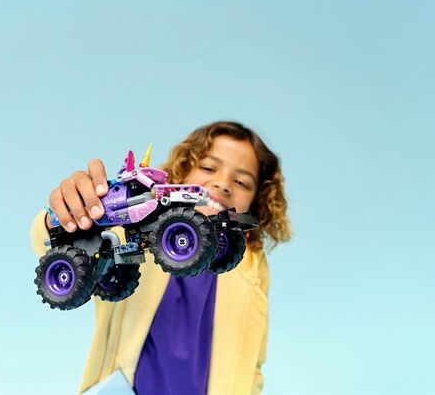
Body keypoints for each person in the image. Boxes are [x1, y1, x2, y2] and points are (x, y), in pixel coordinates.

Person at [29, 121, 291, 394]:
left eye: (242, 182)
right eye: (208, 167)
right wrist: (66, 213)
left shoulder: (252, 267)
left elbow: (253, 362)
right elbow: (47, 240)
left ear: (257, 200)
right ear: (182, 171)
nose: (223, 184)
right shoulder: (128, 229)